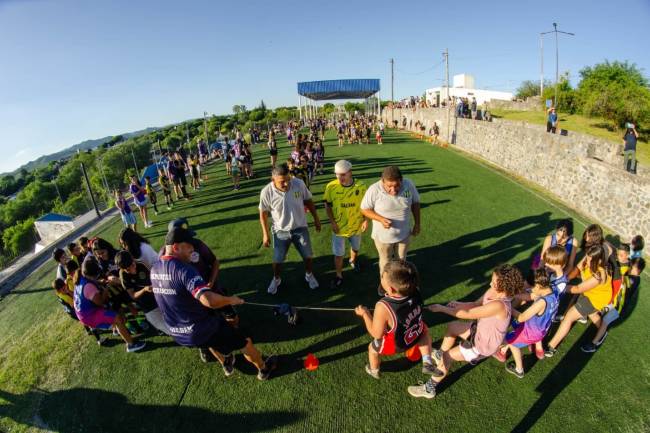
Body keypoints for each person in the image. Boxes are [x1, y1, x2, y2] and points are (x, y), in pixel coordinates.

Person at [151, 227, 278, 379]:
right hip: (200, 328)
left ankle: (226, 361)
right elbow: (208, 300)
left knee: (208, 341)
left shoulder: (154, 269)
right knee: (245, 342)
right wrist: (232, 300)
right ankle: (263, 368)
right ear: (176, 247)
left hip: (178, 334)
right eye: (189, 246)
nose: (192, 250)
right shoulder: (184, 269)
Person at [407, 264, 523, 399]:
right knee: (452, 327)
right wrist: (458, 304)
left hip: (481, 345)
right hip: (479, 330)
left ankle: (429, 388)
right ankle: (439, 354)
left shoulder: (499, 305)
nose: (490, 283)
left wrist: (442, 309)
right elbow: (475, 304)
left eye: (494, 282)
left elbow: (468, 314)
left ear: (504, 287)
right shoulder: (493, 292)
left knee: (448, 357)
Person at [355, 260, 433, 379]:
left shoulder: (383, 306)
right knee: (425, 331)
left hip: (397, 344)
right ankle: (427, 360)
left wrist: (365, 314)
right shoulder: (416, 290)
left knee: (372, 349)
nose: (381, 278)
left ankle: (374, 370)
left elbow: (376, 333)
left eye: (382, 277)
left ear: (390, 289)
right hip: (416, 334)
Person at [259, 163, 321, 295]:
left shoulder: (298, 183)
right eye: (282, 182)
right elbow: (263, 214)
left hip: (300, 227)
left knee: (308, 256)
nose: (287, 184)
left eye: (288, 179)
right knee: (278, 260)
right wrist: (265, 234)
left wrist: (316, 218)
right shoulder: (266, 192)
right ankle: (276, 279)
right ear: (273, 180)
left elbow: (308, 200)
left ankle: (309, 275)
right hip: (280, 231)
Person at [360, 166, 420, 294]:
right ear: (382, 181)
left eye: (396, 185)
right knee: (385, 262)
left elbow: (415, 203)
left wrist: (417, 224)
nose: (393, 190)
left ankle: (400, 285)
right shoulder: (374, 189)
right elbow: (365, 209)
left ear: (401, 180)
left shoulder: (408, 185)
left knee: (401, 260)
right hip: (383, 237)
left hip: (404, 234)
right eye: (389, 186)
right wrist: (380, 219)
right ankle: (385, 285)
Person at [544, 244, 612, 357]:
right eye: (588, 258)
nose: (588, 261)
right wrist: (563, 278)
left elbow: (577, 288)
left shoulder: (599, 275)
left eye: (591, 260)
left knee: (569, 317)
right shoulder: (589, 258)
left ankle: (551, 347)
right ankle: (602, 331)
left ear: (599, 260)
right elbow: (578, 268)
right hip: (589, 293)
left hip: (596, 299)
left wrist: (559, 286)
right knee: (592, 315)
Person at [494, 269, 558, 378]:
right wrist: (513, 294)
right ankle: (535, 349)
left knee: (512, 342)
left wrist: (507, 307)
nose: (529, 290)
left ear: (538, 286)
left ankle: (519, 370)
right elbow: (530, 296)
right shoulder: (552, 291)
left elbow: (522, 317)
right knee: (515, 328)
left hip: (531, 331)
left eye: (531, 288)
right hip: (541, 329)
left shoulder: (542, 302)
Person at [73, 258, 146, 352]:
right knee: (117, 318)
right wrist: (106, 289)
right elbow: (101, 302)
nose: (97, 277)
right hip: (89, 316)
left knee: (115, 315)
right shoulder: (88, 287)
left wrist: (101, 282)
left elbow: (92, 285)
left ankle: (116, 329)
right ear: (91, 275)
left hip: (83, 313)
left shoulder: (81, 277)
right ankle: (131, 345)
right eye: (96, 275)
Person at [323, 160, 368, 289]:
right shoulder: (331, 186)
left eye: (343, 174)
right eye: (337, 174)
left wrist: (365, 220)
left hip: (356, 225)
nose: (339, 177)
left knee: (355, 247)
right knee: (338, 254)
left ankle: (353, 261)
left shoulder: (361, 186)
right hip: (339, 228)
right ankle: (339, 275)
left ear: (350, 172)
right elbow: (327, 205)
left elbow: (366, 205)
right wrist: (332, 222)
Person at [115, 250, 170, 336]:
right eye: (128, 269)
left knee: (171, 317)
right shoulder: (123, 276)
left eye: (132, 265)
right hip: (146, 304)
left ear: (133, 260)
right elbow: (133, 295)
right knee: (161, 324)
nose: (132, 270)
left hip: (158, 296)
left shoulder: (141, 264)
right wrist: (144, 290)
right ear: (122, 268)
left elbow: (155, 276)